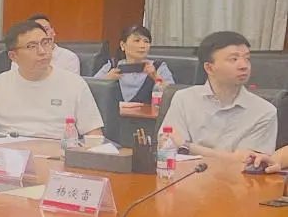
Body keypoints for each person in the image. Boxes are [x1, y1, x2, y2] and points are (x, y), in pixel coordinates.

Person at [0, 20, 104, 138]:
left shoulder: (74, 84)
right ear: (13, 56)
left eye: (45, 43)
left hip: (57, 159)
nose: (42, 51)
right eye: (32, 46)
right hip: (7, 160)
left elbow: (94, 135)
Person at [161, 31, 278, 161]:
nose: (244, 66)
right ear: (209, 68)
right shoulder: (184, 99)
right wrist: (229, 156)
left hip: (235, 175)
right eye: (234, 59)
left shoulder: (264, 111)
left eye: (247, 59)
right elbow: (168, 147)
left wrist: (188, 147)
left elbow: (246, 162)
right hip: (184, 173)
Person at [93, 25, 175, 103]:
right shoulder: (112, 65)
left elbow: (173, 95)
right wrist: (105, 81)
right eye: (137, 41)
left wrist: (156, 77)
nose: (142, 46)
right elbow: (91, 89)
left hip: (147, 113)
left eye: (146, 41)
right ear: (123, 45)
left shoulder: (158, 67)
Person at [11, 13, 81, 75]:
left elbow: (71, 85)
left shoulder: (69, 58)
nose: (43, 35)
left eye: (46, 29)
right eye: (37, 31)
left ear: (53, 32)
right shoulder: (20, 58)